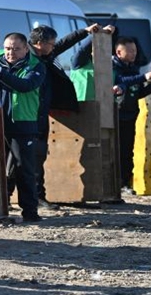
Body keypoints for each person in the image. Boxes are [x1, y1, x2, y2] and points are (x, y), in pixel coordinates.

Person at [73, 33, 151, 195]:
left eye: (135, 51)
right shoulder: (111, 67)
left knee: (126, 151)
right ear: (118, 53)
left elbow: (137, 92)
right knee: (111, 151)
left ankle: (124, 183)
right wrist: (143, 77)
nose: (134, 54)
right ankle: (111, 184)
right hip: (113, 115)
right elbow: (121, 82)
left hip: (130, 115)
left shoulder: (133, 68)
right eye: (130, 51)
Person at [28, 23, 102, 208]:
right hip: (28, 114)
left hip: (41, 112)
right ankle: (28, 196)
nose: (54, 47)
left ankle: (36, 195)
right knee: (28, 157)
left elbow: (63, 44)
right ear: (39, 43)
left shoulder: (45, 55)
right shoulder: (27, 58)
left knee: (38, 155)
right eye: (50, 44)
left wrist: (84, 32)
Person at [0, 32, 46, 223]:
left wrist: (1, 74)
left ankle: (30, 212)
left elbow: (25, 86)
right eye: (7, 48)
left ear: (26, 48)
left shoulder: (36, 66)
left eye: (16, 49)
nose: (10, 53)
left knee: (24, 169)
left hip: (23, 123)